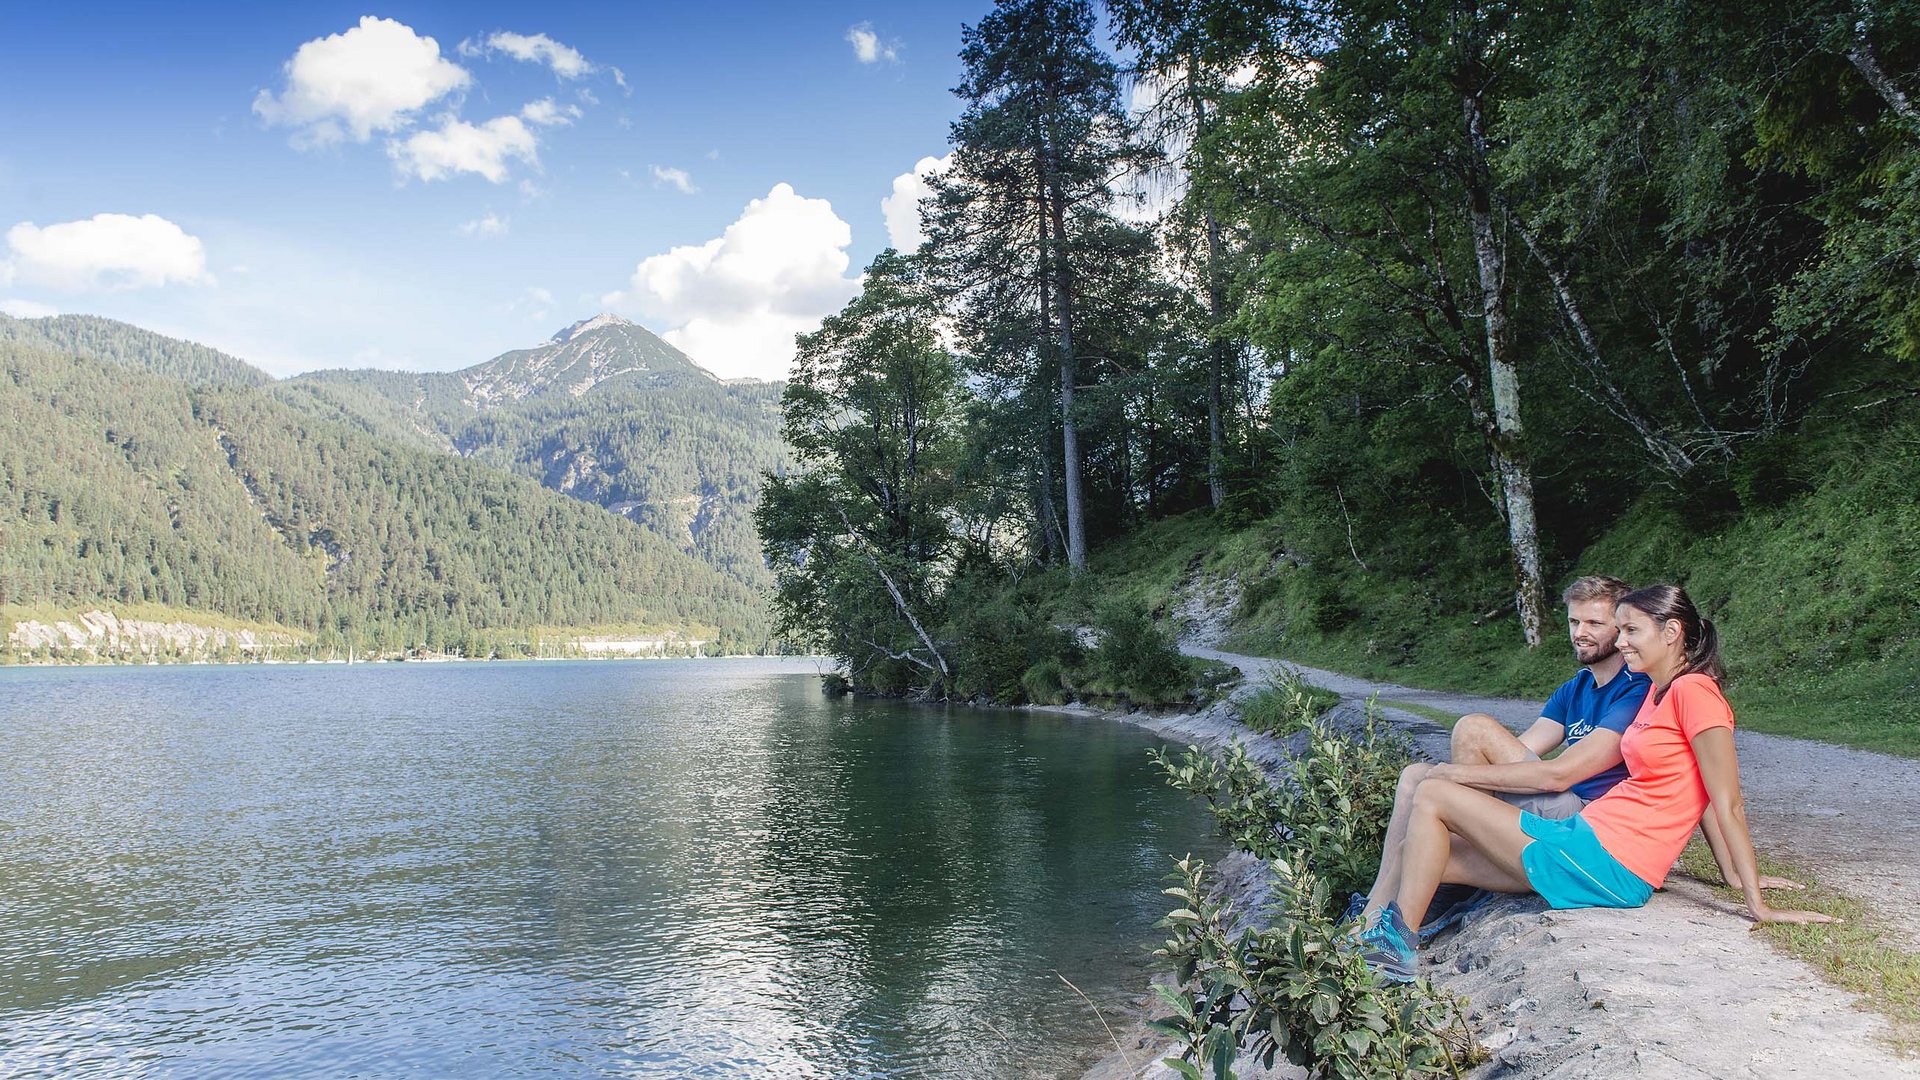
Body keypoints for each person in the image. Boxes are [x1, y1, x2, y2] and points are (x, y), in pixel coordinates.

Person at [1358, 584, 1835, 983]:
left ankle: (1396, 949)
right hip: (1581, 841)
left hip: (1610, 860)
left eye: (1630, 630)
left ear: (1671, 633)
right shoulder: (1659, 693)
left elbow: (1725, 799)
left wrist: (1755, 900)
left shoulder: (1696, 693)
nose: (1622, 641)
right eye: (1621, 630)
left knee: (1437, 792)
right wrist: (1728, 872)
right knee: (1419, 852)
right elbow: (1696, 790)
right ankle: (1376, 937)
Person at [1357, 575, 1650, 928]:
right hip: (1558, 800)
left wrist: (1454, 775)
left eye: (1593, 623)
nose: (1579, 632)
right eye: (1574, 621)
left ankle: (1445, 871)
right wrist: (1452, 776)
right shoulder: (1577, 687)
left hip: (1585, 817)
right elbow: (1519, 751)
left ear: (1621, 629)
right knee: (1413, 776)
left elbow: (1563, 773)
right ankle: (1370, 911)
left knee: (1473, 728)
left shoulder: (1634, 688)